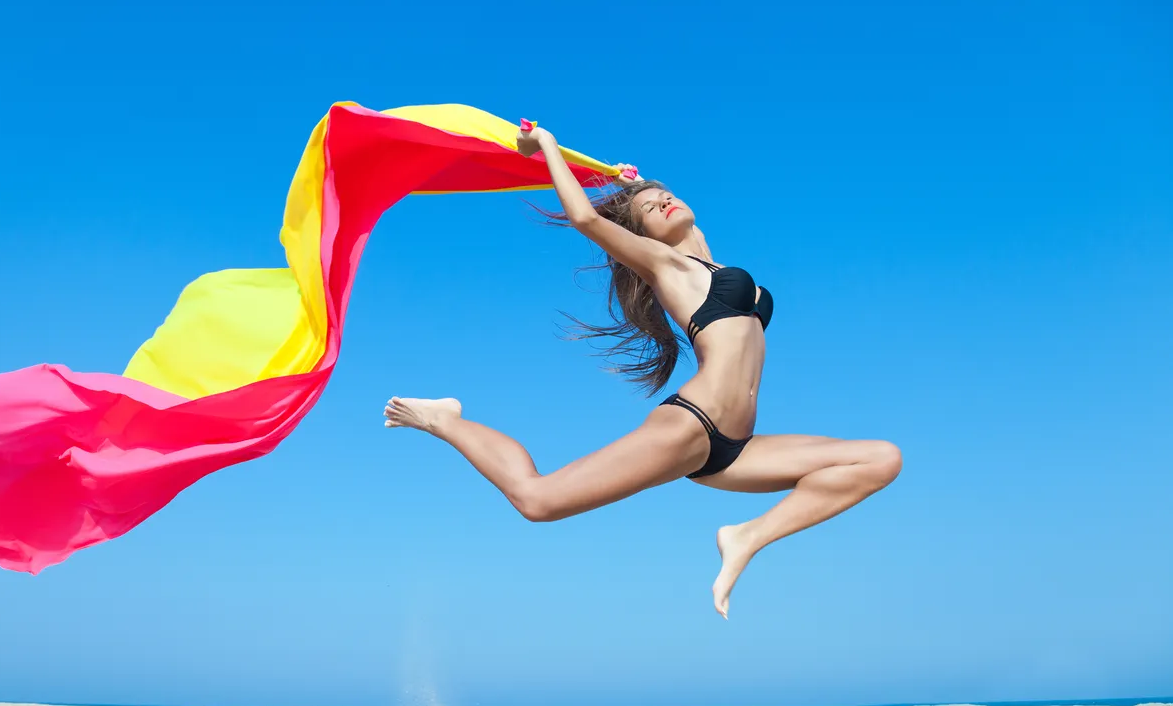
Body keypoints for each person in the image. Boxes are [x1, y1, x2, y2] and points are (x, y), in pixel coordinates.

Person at [383, 122, 902, 619]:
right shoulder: (665, 266)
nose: (663, 201)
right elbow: (588, 221)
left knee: (879, 460)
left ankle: (745, 537)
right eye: (651, 209)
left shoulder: (710, 263)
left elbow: (680, 223)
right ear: (642, 237)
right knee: (537, 500)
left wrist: (632, 185)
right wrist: (547, 147)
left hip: (736, 448)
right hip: (692, 424)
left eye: (666, 194)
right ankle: (445, 419)